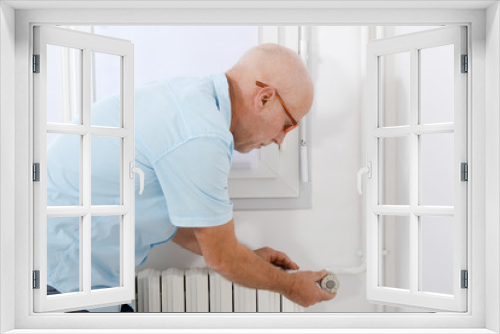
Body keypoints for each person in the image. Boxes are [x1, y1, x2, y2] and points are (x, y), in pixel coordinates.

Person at [46, 43, 336, 311]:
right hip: (60, 277)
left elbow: (187, 224)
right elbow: (222, 258)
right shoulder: (203, 134)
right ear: (264, 98)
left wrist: (247, 256)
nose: (280, 140)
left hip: (82, 277)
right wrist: (292, 286)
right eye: (287, 125)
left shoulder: (191, 101)